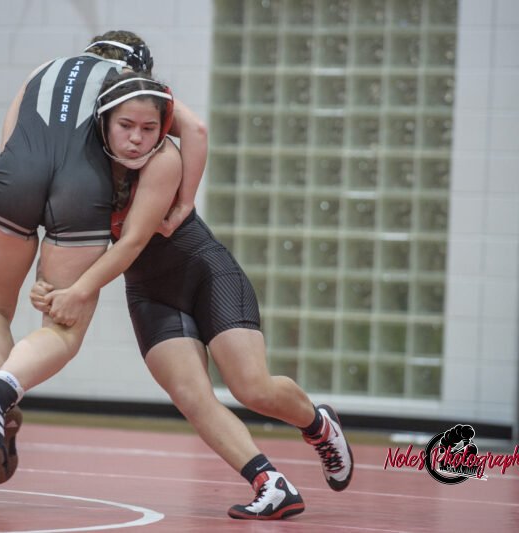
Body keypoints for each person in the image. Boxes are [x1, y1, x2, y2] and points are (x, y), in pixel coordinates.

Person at [24, 71, 354, 520]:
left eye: (149, 128)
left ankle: (317, 424)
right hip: (150, 293)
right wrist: (49, 283)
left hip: (205, 273)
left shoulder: (164, 161)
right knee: (193, 397)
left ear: (163, 129)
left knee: (252, 388)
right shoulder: (80, 168)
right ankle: (270, 484)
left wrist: (78, 292)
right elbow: (67, 235)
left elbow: (133, 242)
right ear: (103, 123)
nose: (137, 139)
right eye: (126, 127)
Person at [0, 30, 208, 484]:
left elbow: (8, 141)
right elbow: (194, 129)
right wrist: (185, 201)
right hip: (83, 186)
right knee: (62, 328)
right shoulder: (130, 83)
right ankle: (0, 392)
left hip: (14, 175)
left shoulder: (43, 69)